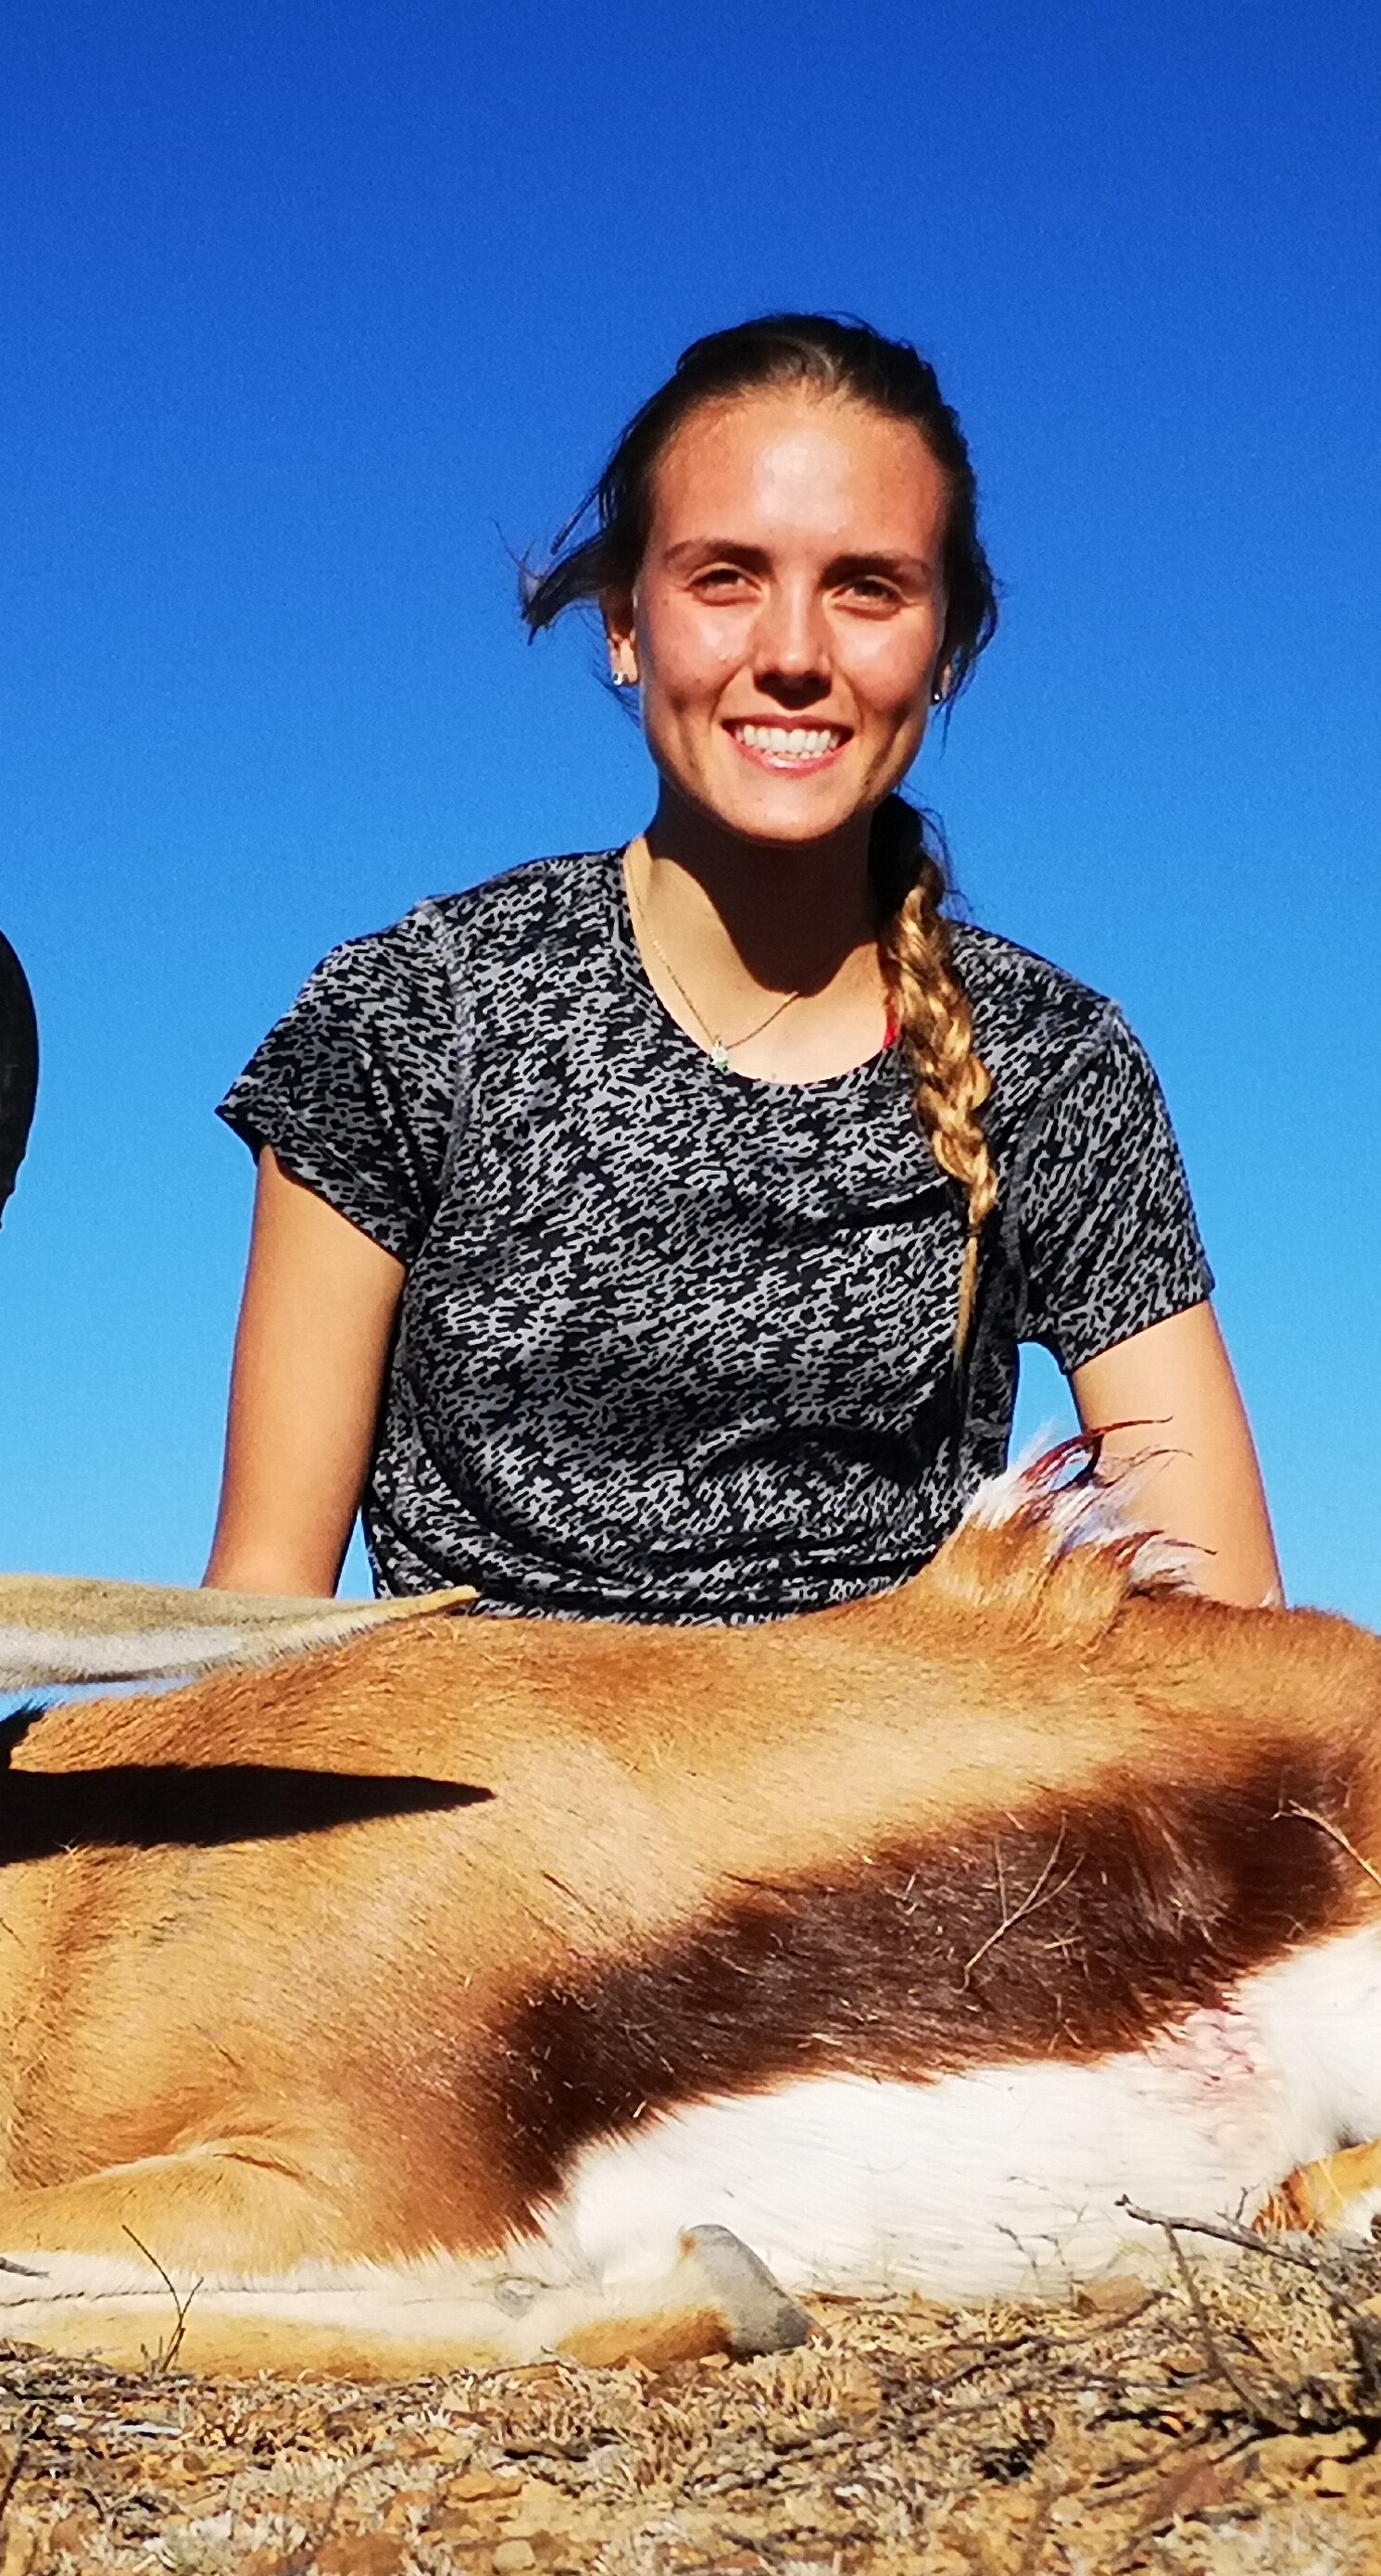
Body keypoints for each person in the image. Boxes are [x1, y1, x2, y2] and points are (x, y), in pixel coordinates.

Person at [207, 313, 1279, 1622]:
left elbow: (1229, 1619)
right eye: (725, 576)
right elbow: (262, 1602)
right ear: (624, 623)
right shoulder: (416, 1012)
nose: (791, 655)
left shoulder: (1052, 1062)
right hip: (468, 1801)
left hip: (893, 1807)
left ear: (944, 649)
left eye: (867, 587)